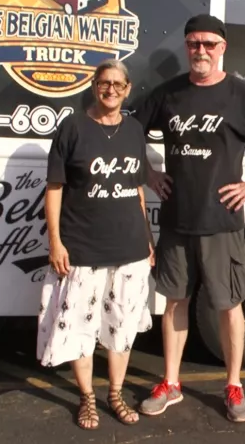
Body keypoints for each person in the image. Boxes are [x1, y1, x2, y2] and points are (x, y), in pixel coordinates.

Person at [130, 14, 245, 423]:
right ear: (186, 47)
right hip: (177, 221)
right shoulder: (169, 94)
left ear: (223, 47)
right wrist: (149, 173)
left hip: (222, 222)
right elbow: (127, 131)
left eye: (209, 43)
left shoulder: (240, 95)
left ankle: (234, 385)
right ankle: (171, 383)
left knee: (229, 305)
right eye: (193, 43)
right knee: (175, 303)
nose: (200, 50)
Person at [37, 59, 157, 431]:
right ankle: (87, 397)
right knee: (79, 329)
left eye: (118, 85)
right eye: (104, 83)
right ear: (94, 85)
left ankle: (115, 393)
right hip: (82, 249)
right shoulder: (72, 128)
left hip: (129, 249)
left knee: (122, 326)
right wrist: (55, 241)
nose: (111, 90)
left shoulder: (135, 130)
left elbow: (137, 188)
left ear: (128, 89)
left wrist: (148, 240)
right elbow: (54, 188)